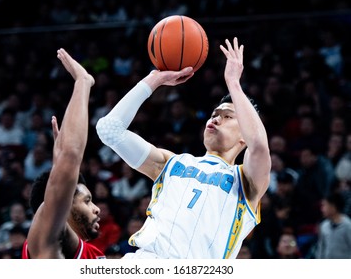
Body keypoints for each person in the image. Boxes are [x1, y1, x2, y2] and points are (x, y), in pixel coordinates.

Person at [96, 37, 271, 259]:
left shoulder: (246, 180)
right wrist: (153, 80)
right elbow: (109, 130)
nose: (216, 119)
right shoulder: (171, 163)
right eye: (214, 114)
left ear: (243, 137)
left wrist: (234, 84)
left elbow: (258, 146)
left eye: (227, 116)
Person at [22, 48, 105, 259]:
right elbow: (70, 156)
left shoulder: (93, 255)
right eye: (86, 201)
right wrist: (83, 82)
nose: (96, 209)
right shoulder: (46, 243)